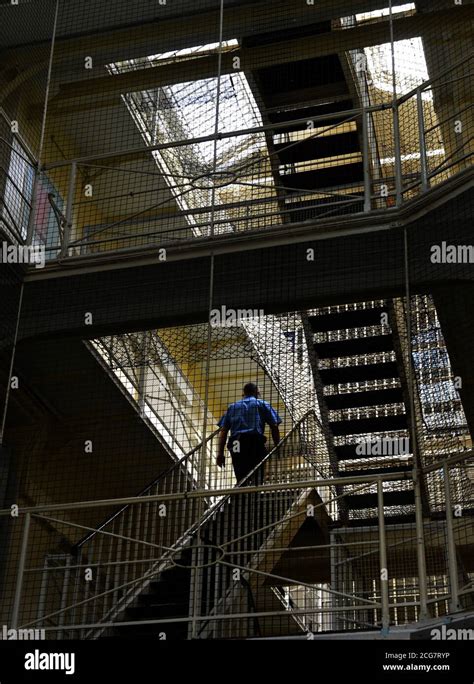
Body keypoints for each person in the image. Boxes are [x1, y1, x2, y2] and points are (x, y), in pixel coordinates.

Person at [216, 382, 282, 484]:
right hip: (254, 442)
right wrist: (278, 445)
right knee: (257, 471)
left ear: (244, 393)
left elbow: (223, 431)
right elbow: (274, 426)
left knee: (240, 470)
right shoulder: (262, 404)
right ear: (257, 393)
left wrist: (220, 454)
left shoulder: (232, 407)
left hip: (236, 443)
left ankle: (241, 490)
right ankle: (255, 490)